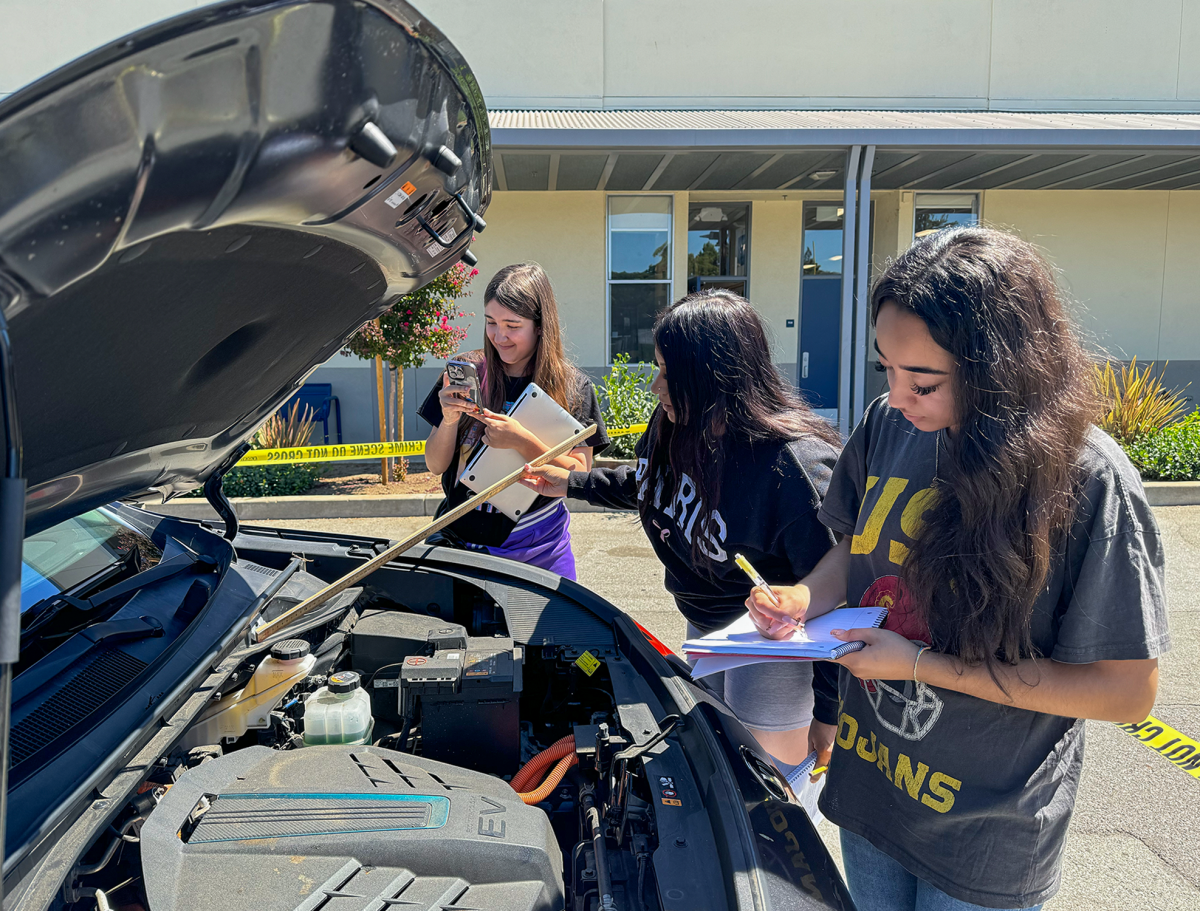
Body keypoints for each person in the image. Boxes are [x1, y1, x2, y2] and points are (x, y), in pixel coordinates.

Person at [747, 226, 1169, 911]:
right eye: (885, 367)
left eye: (923, 381)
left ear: (1004, 369)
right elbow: (855, 549)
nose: (898, 396)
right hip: (874, 791)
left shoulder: (1089, 479)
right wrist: (801, 598)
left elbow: (1126, 691)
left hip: (988, 829)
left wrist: (918, 664)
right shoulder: (889, 423)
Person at [523, 289, 842, 778]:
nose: (655, 386)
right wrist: (573, 483)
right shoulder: (675, 422)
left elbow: (838, 600)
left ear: (712, 377)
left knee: (773, 786)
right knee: (723, 766)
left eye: (668, 373)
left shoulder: (791, 470)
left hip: (772, 646)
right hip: (707, 628)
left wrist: (828, 711)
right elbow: (650, 482)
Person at [419, 262, 609, 579]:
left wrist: (520, 440)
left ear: (539, 325)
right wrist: (450, 421)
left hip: (540, 548)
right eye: (491, 322)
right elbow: (436, 465)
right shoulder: (468, 371)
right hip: (463, 544)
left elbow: (579, 475)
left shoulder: (572, 387)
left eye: (512, 325)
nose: (499, 336)